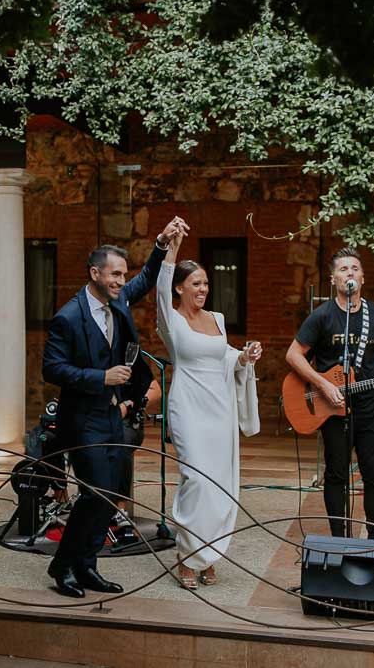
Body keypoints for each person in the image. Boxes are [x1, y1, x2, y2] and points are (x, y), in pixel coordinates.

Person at [41, 217, 185, 597]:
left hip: (110, 416)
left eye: (123, 275)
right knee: (95, 493)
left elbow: (145, 279)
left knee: (110, 497)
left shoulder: (117, 301)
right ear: (95, 273)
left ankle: (87, 566)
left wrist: (160, 243)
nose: (122, 281)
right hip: (81, 417)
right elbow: (51, 368)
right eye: (115, 274)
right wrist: (99, 378)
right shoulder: (68, 317)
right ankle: (62, 565)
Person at [284, 247, 374, 540]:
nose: (350, 274)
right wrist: (323, 384)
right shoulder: (321, 316)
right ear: (333, 279)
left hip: (371, 406)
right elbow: (293, 355)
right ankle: (339, 539)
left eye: (355, 269)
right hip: (333, 406)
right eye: (344, 269)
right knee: (336, 473)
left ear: (363, 278)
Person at [157, 230, 261, 589]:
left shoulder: (216, 318)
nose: (202, 289)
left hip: (220, 410)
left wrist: (244, 357)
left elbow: (225, 355)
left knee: (220, 485)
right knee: (197, 480)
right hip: (188, 405)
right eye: (195, 283)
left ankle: (208, 554)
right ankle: (187, 555)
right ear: (179, 288)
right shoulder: (170, 319)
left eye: (205, 283)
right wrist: (172, 251)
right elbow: (159, 287)